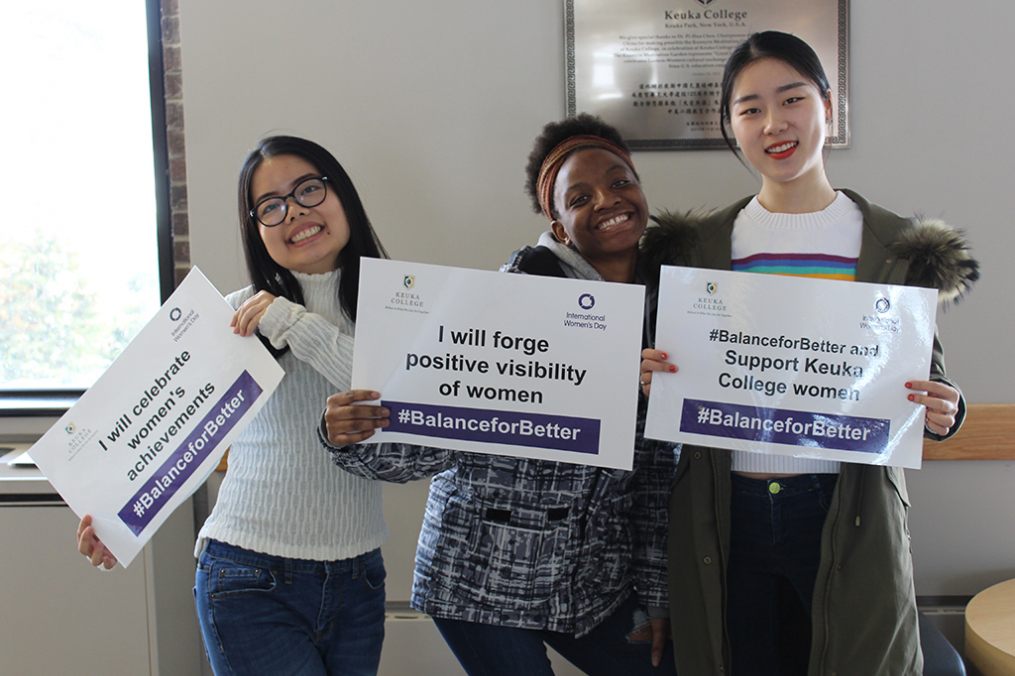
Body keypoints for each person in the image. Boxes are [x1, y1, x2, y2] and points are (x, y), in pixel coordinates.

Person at [638, 32, 980, 676]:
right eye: (750, 108)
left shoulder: (895, 246)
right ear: (731, 127)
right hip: (723, 512)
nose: (774, 123)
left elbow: (928, 383)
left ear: (828, 104)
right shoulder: (696, 250)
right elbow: (674, 378)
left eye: (792, 98)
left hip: (846, 509)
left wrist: (949, 409)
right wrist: (655, 378)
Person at [318, 114, 679, 676]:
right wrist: (350, 435)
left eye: (621, 181)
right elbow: (430, 437)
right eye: (580, 196)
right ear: (558, 226)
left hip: (594, 585)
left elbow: (657, 477)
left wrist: (658, 595)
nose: (609, 200)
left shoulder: (671, 309)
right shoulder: (506, 301)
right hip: (480, 577)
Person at [77, 135, 391, 676]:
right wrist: (114, 524)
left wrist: (292, 322)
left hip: (359, 581)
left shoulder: (394, 308)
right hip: (249, 577)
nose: (295, 212)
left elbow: (391, 399)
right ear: (256, 227)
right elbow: (161, 429)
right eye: (271, 206)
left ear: (341, 195)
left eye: (308, 190)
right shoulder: (233, 316)